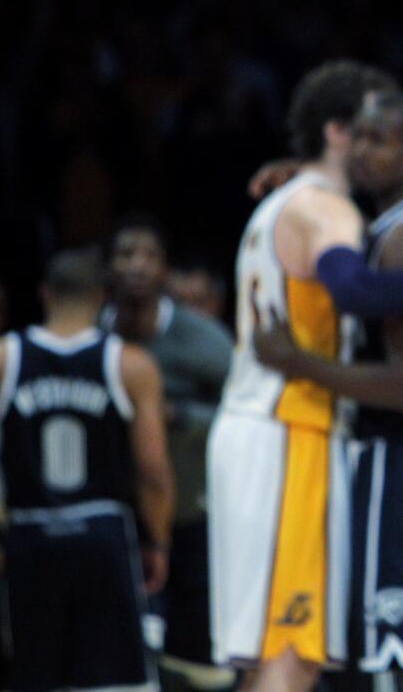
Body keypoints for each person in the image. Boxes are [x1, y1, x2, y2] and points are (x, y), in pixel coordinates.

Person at [208, 62, 403, 691]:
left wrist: (297, 360)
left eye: (382, 138)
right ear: (339, 133)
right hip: (295, 435)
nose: (366, 149)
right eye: (361, 135)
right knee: (300, 649)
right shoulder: (330, 209)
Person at [0, 247, 174, 691]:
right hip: (103, 535)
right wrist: (158, 541)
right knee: (115, 682)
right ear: (101, 298)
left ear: (44, 294)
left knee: (35, 679)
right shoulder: (129, 363)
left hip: (30, 534)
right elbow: (153, 471)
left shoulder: (5, 359)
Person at [104, 214, 237, 686]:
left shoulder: (205, 339)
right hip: (117, 512)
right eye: (125, 254)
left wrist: (180, 418)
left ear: (164, 271)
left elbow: (244, 410)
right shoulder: (93, 341)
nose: (137, 266)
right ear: (107, 269)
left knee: (197, 650)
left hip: (192, 508)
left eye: (149, 255)